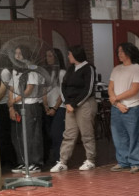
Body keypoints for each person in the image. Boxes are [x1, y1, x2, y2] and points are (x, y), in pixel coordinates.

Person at [50, 45, 97, 173]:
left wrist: (74, 104)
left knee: (86, 133)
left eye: (69, 54)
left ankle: (90, 159)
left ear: (76, 55)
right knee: (69, 134)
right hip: (70, 105)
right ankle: (63, 161)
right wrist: (67, 103)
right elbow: (63, 86)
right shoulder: (71, 69)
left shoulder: (88, 68)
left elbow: (88, 89)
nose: (68, 56)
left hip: (84, 104)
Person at [7, 45, 45, 173]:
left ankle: (35, 162)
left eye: (20, 53)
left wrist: (14, 100)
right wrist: (11, 106)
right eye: (16, 53)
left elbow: (29, 90)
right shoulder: (15, 70)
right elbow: (11, 88)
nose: (17, 56)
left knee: (31, 134)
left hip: (29, 104)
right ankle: (23, 161)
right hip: (17, 105)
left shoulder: (32, 69)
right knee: (18, 135)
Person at [108, 42, 139, 173]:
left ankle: (135, 162)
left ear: (129, 52)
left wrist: (116, 99)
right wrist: (117, 103)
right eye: (118, 51)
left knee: (134, 135)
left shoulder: (138, 68)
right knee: (118, 135)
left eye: (122, 51)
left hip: (132, 107)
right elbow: (110, 88)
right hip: (117, 107)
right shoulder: (116, 69)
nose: (119, 54)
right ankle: (122, 161)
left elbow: (134, 89)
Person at [41, 49, 67, 166]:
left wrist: (55, 108)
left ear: (56, 58)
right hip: (48, 106)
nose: (48, 58)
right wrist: (46, 105)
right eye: (47, 56)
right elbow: (44, 90)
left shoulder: (61, 73)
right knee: (49, 134)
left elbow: (63, 92)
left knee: (57, 133)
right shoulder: (46, 72)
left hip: (59, 106)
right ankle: (54, 157)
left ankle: (60, 159)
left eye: (50, 56)